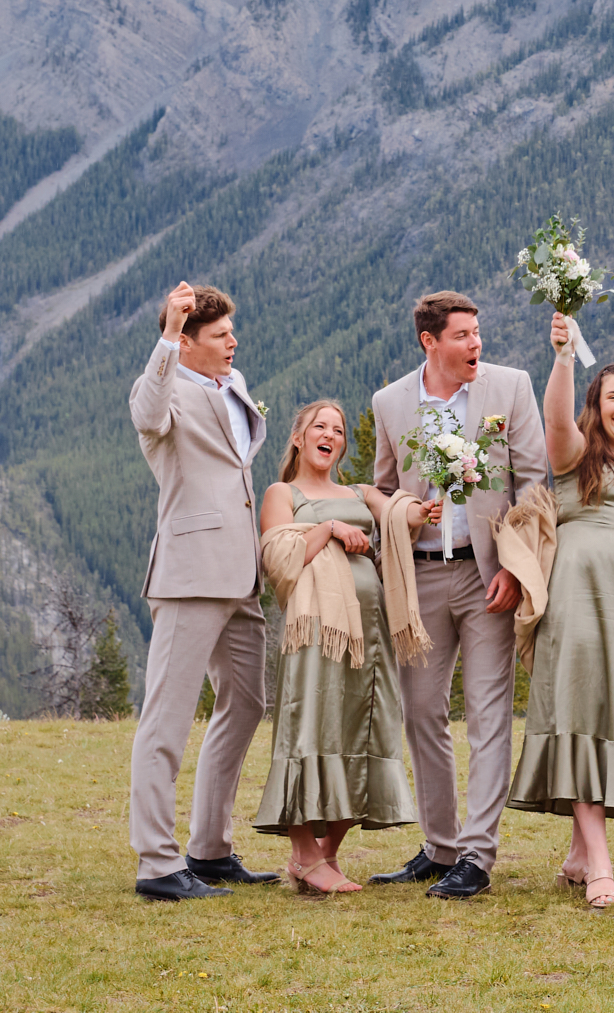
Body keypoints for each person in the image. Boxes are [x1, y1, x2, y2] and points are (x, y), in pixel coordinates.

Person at [369, 290, 550, 899]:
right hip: (417, 576)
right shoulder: (390, 401)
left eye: (478, 332)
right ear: (430, 342)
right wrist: (403, 514)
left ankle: (477, 855)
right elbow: (382, 489)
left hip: (486, 576)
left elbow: (531, 482)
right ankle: (440, 845)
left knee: (488, 713)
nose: (477, 344)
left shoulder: (511, 387)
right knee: (421, 713)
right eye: (463, 335)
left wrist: (516, 566)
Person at [505, 323, 614, 910]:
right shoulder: (576, 455)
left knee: (613, 713)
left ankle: (580, 854)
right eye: (613, 398)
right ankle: (601, 863)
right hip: (576, 597)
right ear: (596, 407)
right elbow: (554, 418)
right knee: (580, 709)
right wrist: (561, 357)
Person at [127, 283, 278, 900]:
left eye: (230, 333)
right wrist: (167, 330)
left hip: (241, 574)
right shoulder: (165, 389)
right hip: (190, 575)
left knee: (247, 703)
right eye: (219, 336)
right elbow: (146, 411)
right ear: (187, 345)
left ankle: (210, 848)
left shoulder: (229, 387)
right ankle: (158, 864)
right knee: (165, 719)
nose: (233, 342)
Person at [252, 400, 424, 893]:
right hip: (316, 635)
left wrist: (420, 507)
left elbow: (398, 513)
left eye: (339, 430)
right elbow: (281, 561)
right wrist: (328, 529)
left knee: (364, 730)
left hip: (370, 637)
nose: (331, 435)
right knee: (311, 728)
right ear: (299, 438)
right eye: (320, 427)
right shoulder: (282, 493)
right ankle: (304, 852)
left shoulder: (358, 491)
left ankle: (323, 857)